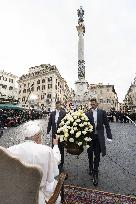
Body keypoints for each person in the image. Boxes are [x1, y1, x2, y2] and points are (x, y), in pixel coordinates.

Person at [7, 121, 61, 204]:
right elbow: (55, 160)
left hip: (17, 191)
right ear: (38, 136)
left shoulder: (11, 149)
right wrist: (56, 145)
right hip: (38, 196)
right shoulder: (46, 151)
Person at [86, 98, 112, 186]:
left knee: (97, 155)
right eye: (91, 104)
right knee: (90, 153)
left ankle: (95, 173)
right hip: (90, 138)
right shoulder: (87, 113)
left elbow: (107, 125)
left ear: (97, 104)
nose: (92, 106)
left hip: (98, 138)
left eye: (94, 104)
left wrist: (109, 136)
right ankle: (90, 167)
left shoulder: (102, 112)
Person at [47, 100, 66, 171]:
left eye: (59, 104)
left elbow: (66, 123)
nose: (58, 105)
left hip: (61, 134)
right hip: (54, 134)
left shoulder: (64, 113)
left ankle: (61, 163)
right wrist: (48, 132)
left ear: (61, 105)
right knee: (54, 148)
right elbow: (50, 123)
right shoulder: (52, 113)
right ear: (55, 105)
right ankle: (54, 162)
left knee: (61, 148)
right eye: (57, 104)